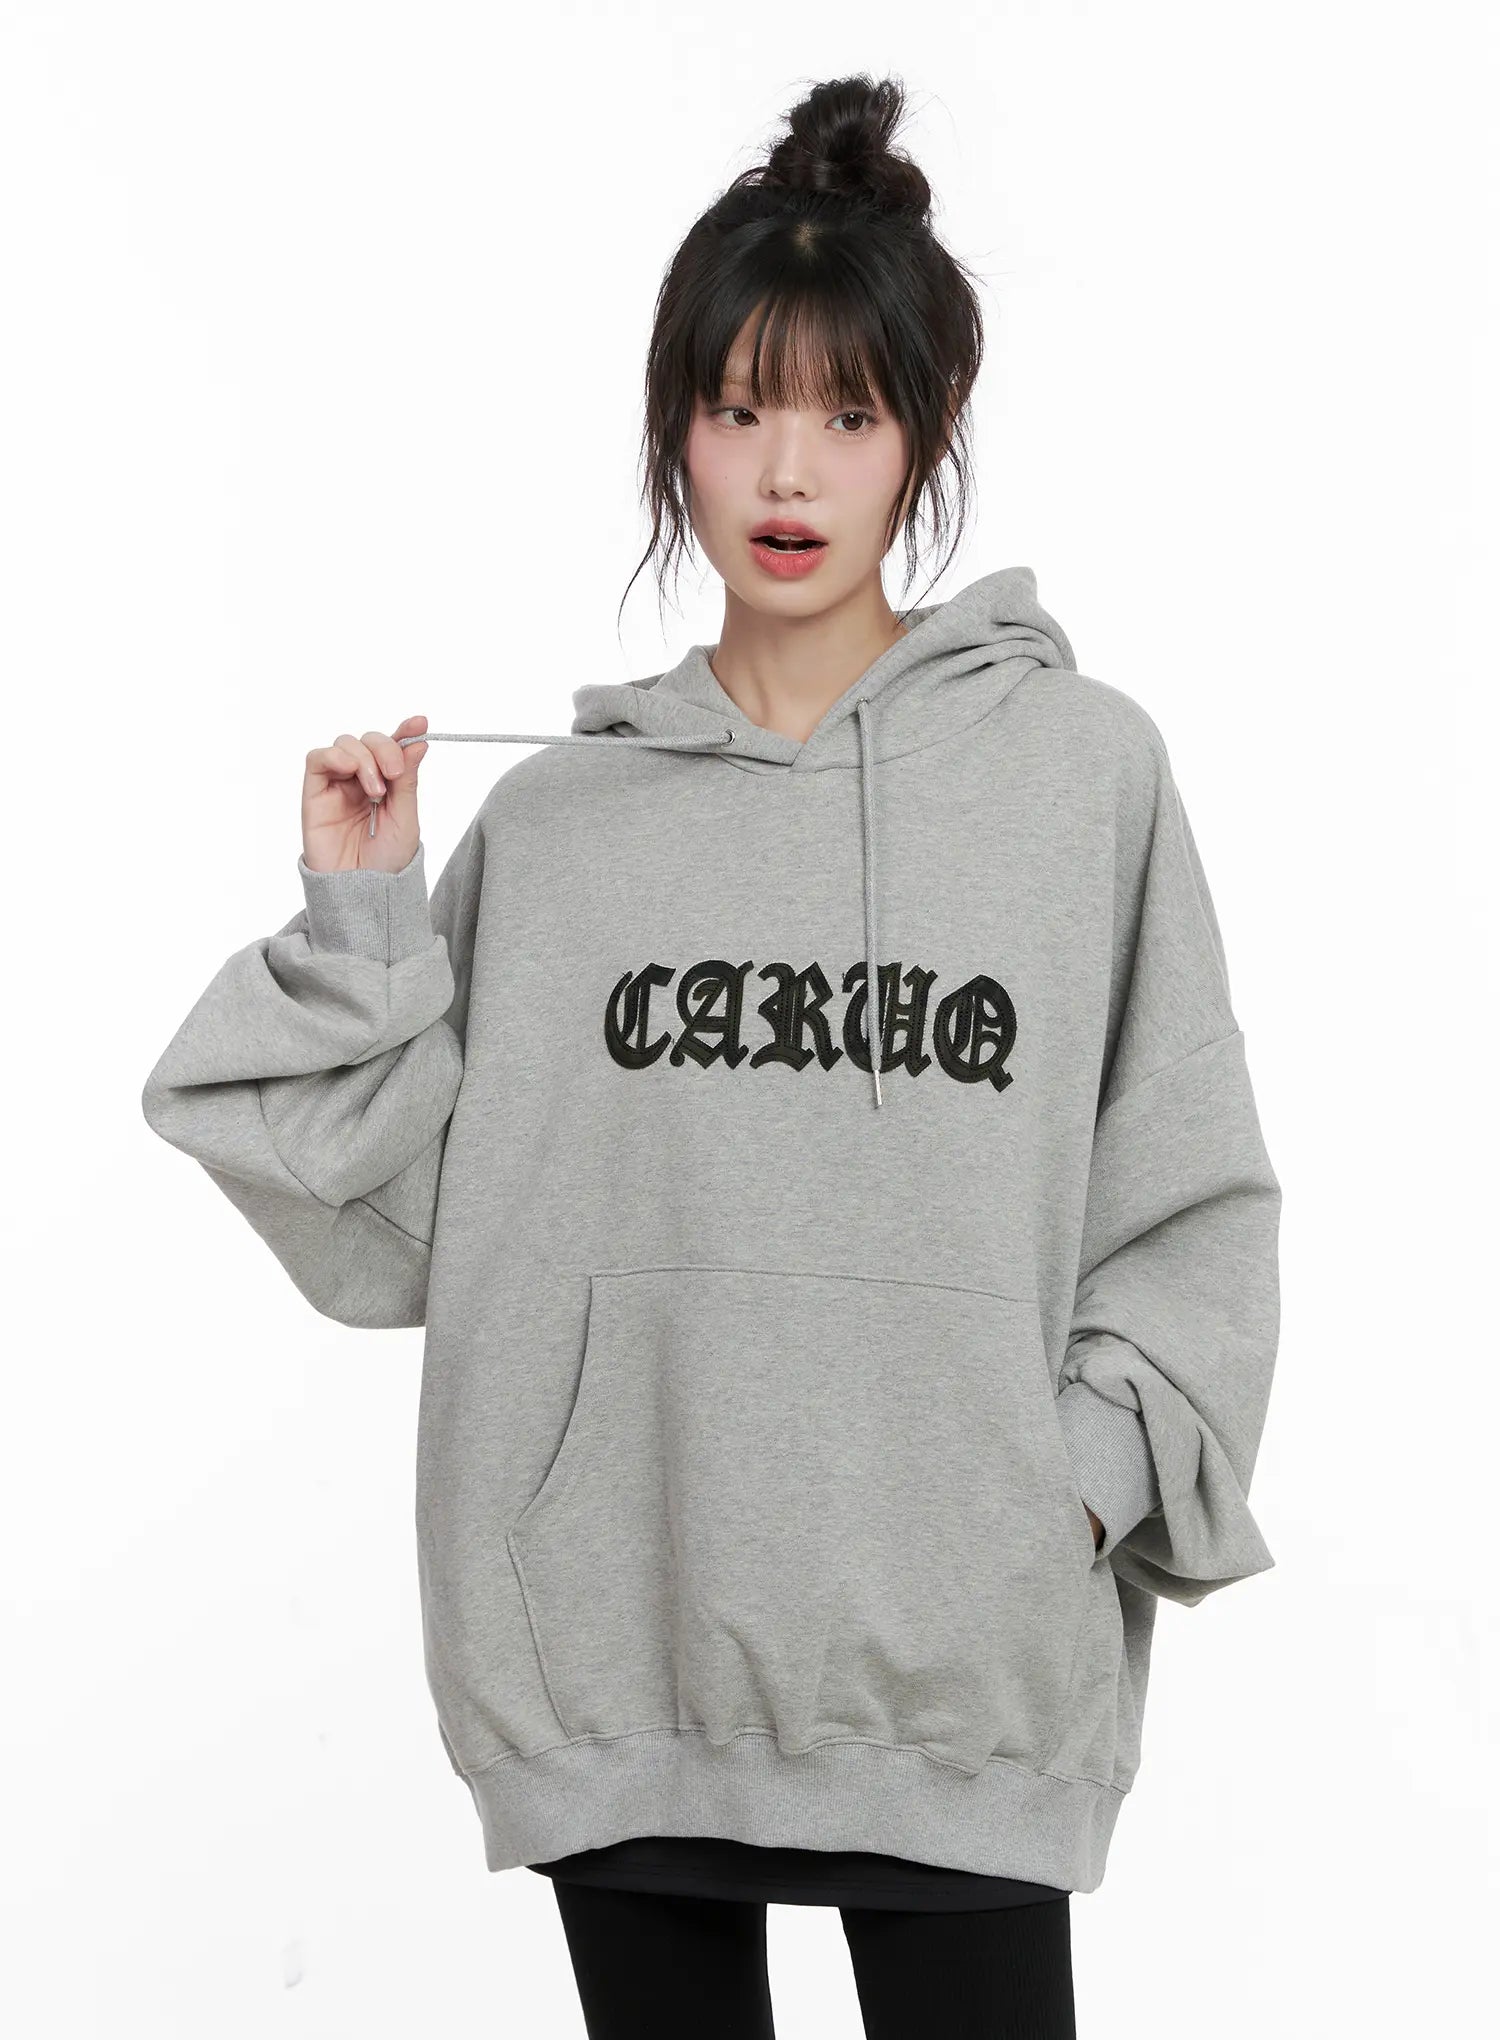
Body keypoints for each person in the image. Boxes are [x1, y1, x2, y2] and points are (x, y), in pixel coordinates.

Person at [141, 71, 1281, 2040]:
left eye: (848, 413)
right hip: (625, 1652)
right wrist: (365, 918)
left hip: (965, 1670)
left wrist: (1068, 1488)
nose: (788, 469)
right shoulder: (566, 827)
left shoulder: (1080, 779)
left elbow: (1190, 1190)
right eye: (741, 407)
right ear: (674, 425)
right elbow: (401, 1236)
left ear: (927, 430)